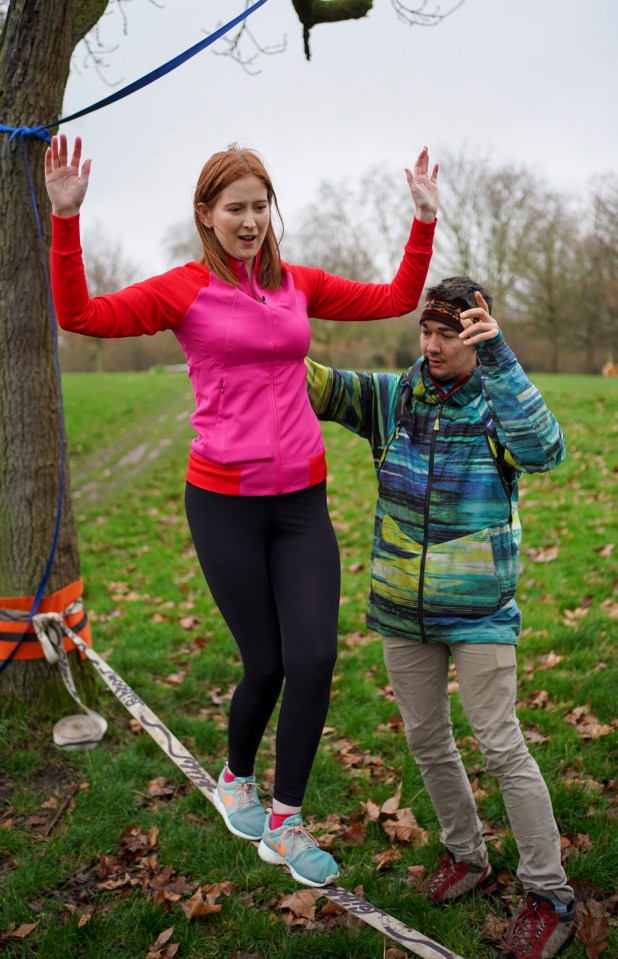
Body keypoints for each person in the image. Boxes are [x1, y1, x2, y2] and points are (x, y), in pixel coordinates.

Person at [44, 134, 438, 888]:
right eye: (236, 208)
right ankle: (235, 780)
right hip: (223, 502)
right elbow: (82, 316)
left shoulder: (297, 286)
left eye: (260, 206)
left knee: (314, 657)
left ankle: (284, 821)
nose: (251, 220)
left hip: (301, 502)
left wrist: (421, 224)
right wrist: (67, 221)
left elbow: (395, 299)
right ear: (207, 214)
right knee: (264, 662)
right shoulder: (182, 289)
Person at [306, 277, 576, 955]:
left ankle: (551, 892)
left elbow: (547, 450)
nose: (430, 344)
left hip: (480, 613)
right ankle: (468, 855)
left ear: (477, 334)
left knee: (501, 745)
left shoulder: (497, 401)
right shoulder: (398, 396)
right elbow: (322, 385)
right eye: (425, 331)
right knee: (428, 740)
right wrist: (257, 320)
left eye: (446, 333)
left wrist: (502, 362)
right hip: (403, 612)